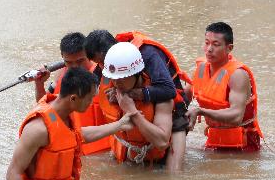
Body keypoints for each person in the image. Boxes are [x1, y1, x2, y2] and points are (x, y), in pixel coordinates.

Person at [6, 67, 134, 180]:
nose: (91, 102)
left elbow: (78, 135)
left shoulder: (65, 111)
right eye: (90, 98)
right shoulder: (37, 130)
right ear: (73, 98)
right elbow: (13, 173)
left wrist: (119, 125)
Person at [85, 29, 191, 171]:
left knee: (174, 173)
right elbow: (86, 89)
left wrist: (133, 100)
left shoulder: (147, 55)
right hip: (131, 131)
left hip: (171, 105)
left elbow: (169, 91)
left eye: (121, 78)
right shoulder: (109, 63)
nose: (115, 82)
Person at [186, 22, 263, 151]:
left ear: (229, 48)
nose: (209, 49)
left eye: (216, 45)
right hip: (214, 140)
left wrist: (201, 111)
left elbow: (237, 116)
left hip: (243, 148)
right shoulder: (201, 69)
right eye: (206, 43)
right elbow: (184, 96)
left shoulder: (238, 75)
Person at [98, 42, 174, 166]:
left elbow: (162, 142)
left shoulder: (161, 96)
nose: (116, 83)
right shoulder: (109, 88)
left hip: (153, 166)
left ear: (137, 73)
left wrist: (132, 111)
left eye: (122, 78)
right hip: (120, 160)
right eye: (113, 78)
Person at [34, 32, 111, 155]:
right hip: (73, 149)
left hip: (103, 154)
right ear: (62, 58)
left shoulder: (105, 74)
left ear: (89, 55)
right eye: (69, 62)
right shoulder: (61, 75)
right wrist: (39, 84)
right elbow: (46, 109)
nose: (75, 67)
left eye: (80, 61)